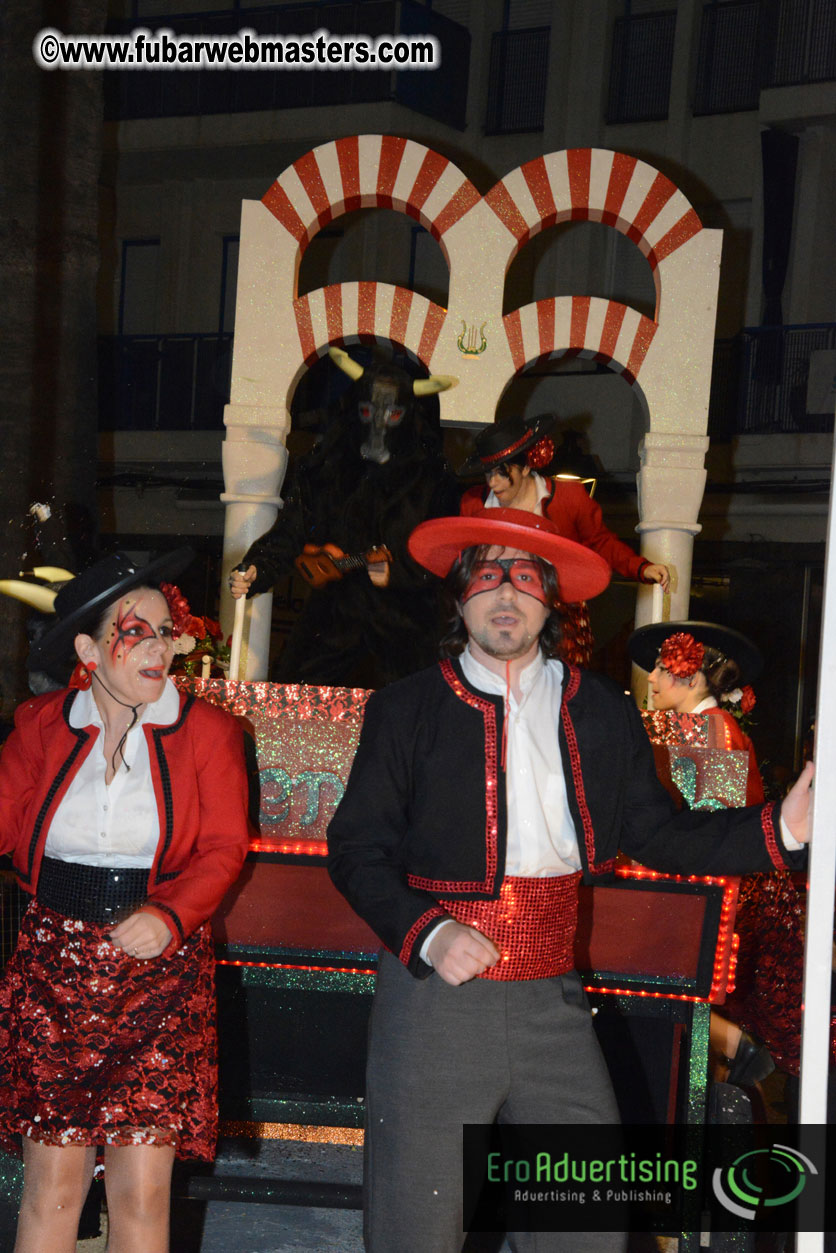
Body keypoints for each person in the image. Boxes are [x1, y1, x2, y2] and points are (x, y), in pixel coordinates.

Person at [327, 507, 812, 1253]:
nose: (505, 594)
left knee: (582, 1223)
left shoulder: (601, 709)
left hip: (553, 999)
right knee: (415, 1228)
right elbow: (356, 847)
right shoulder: (408, 708)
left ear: (551, 598)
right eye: (486, 575)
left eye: (525, 577)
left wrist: (780, 829)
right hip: (435, 1003)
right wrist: (429, 932)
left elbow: (658, 833)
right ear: (459, 596)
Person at [0, 550, 251, 1253]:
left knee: (142, 1193)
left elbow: (224, 847)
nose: (159, 645)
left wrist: (170, 916)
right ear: (88, 647)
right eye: (134, 630)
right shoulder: (41, 724)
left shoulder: (209, 733)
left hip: (160, 976)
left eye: (165, 629)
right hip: (55, 972)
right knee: (52, 1186)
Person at [230, 351, 460, 687]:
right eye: (368, 412)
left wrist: (399, 574)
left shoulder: (432, 477)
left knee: (414, 713)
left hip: (407, 628)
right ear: (355, 411)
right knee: (296, 700)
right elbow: (291, 531)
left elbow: (448, 553)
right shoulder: (326, 468)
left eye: (392, 414)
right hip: (334, 619)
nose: (378, 427)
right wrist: (256, 568)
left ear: (408, 416)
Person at [628, 620, 775, 1088]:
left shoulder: (712, 730)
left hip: (694, 900)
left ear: (688, 676)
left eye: (658, 668)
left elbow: (716, 832)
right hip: (686, 897)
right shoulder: (699, 727)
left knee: (670, 1005)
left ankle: (734, 1046)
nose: (650, 679)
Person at [458, 414, 670, 665]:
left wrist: (640, 567)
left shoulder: (569, 498)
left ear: (526, 466)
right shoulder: (474, 503)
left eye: (503, 473)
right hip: (497, 611)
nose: (493, 483)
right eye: (488, 474)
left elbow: (601, 542)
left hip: (558, 618)